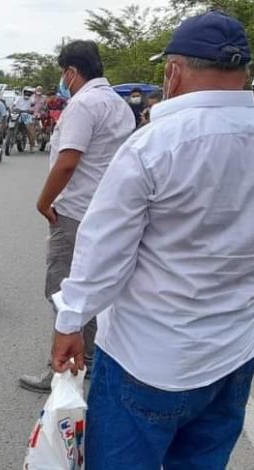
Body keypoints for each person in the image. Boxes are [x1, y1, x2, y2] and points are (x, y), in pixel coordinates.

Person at [51, 12, 254, 468]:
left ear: (173, 71)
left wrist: (70, 321)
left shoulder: (154, 145)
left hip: (147, 360)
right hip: (235, 354)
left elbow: (104, 252)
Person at [18, 39, 135, 394]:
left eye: (62, 74)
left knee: (63, 292)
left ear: (71, 72)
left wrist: (43, 201)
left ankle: (67, 374)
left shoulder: (83, 105)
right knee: (98, 292)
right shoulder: (119, 105)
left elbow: (68, 160)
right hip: (109, 213)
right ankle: (92, 366)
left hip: (75, 213)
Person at [11, 87, 38, 152]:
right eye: (26, 92)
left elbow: (34, 107)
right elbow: (14, 105)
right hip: (18, 114)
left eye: (29, 93)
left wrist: (31, 111)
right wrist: (12, 109)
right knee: (11, 123)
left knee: (29, 130)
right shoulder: (19, 98)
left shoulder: (32, 99)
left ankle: (32, 145)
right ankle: (10, 136)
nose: (27, 94)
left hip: (27, 115)